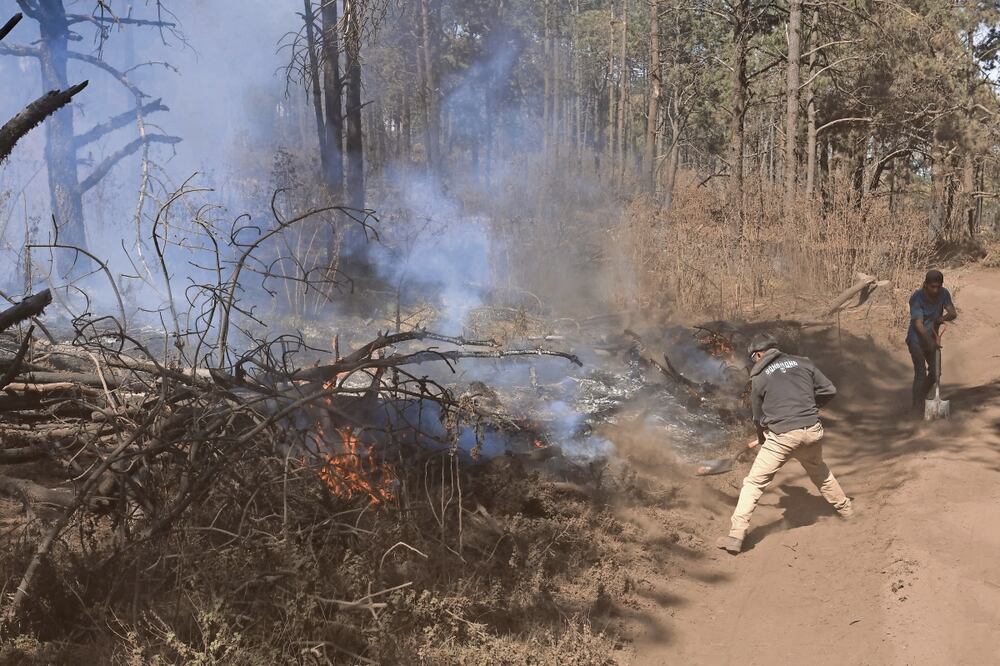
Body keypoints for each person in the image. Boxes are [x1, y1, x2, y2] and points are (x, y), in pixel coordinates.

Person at [716, 335, 853, 555]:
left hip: (782, 437)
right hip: (812, 431)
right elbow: (830, 390)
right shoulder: (804, 362)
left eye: (753, 359)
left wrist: (762, 436)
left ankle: (736, 535)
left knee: (754, 483)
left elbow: (757, 417)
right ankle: (847, 511)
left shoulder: (759, 378)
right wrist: (810, 407)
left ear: (758, 355)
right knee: (820, 472)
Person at [907, 270, 957, 414]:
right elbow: (918, 324)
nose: (936, 290)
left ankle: (921, 397)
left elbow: (953, 313)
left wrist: (944, 318)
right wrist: (930, 342)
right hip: (916, 340)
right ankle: (917, 409)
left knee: (936, 373)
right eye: (932, 287)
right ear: (925, 285)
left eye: (938, 286)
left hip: (933, 338)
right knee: (921, 374)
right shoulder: (917, 298)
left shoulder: (944, 293)